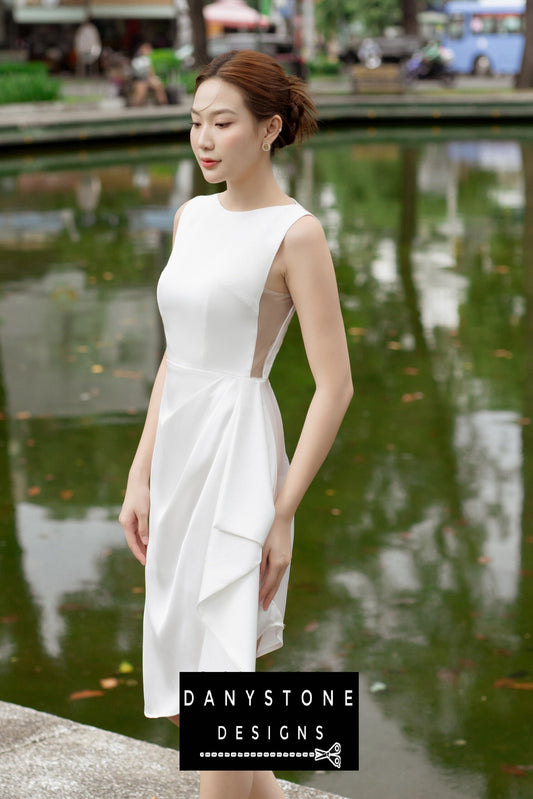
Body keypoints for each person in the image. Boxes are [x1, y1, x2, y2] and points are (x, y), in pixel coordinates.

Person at [119, 49, 353, 799]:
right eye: (194, 123)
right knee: (194, 678)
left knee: (219, 668)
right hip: (178, 448)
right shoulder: (190, 215)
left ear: (269, 128)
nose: (204, 140)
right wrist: (138, 471)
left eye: (222, 123)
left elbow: (335, 386)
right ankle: (273, 790)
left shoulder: (296, 233)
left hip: (239, 451)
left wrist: (282, 511)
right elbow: (175, 357)